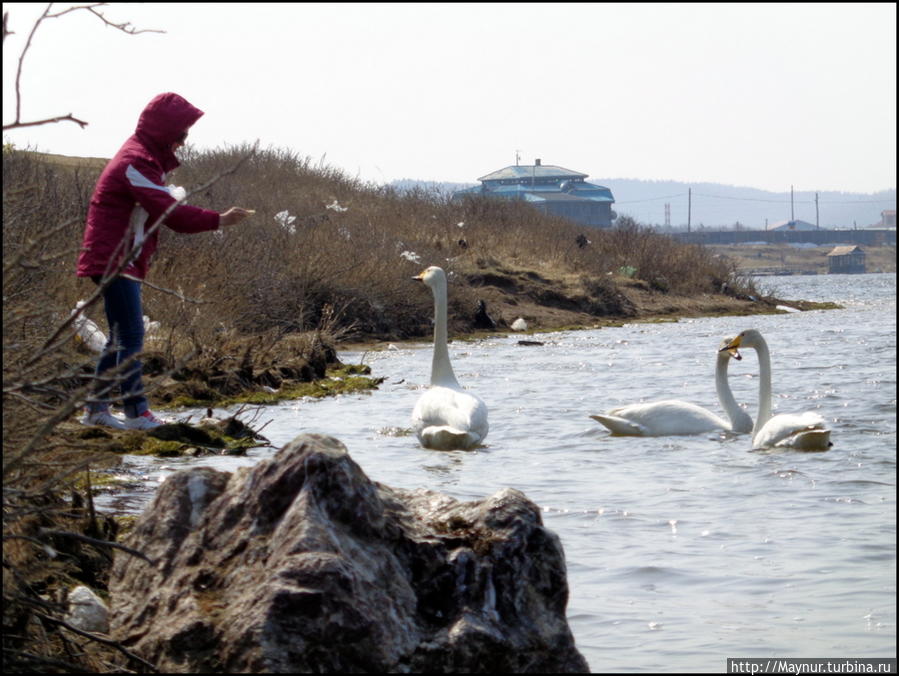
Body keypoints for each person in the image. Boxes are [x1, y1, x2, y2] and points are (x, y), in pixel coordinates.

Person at [76, 92, 252, 430]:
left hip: (119, 257)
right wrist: (220, 220)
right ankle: (136, 413)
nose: (184, 142)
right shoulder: (136, 162)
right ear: (164, 131)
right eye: (181, 134)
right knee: (130, 335)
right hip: (114, 258)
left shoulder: (144, 159)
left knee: (120, 336)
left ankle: (96, 411)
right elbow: (171, 214)